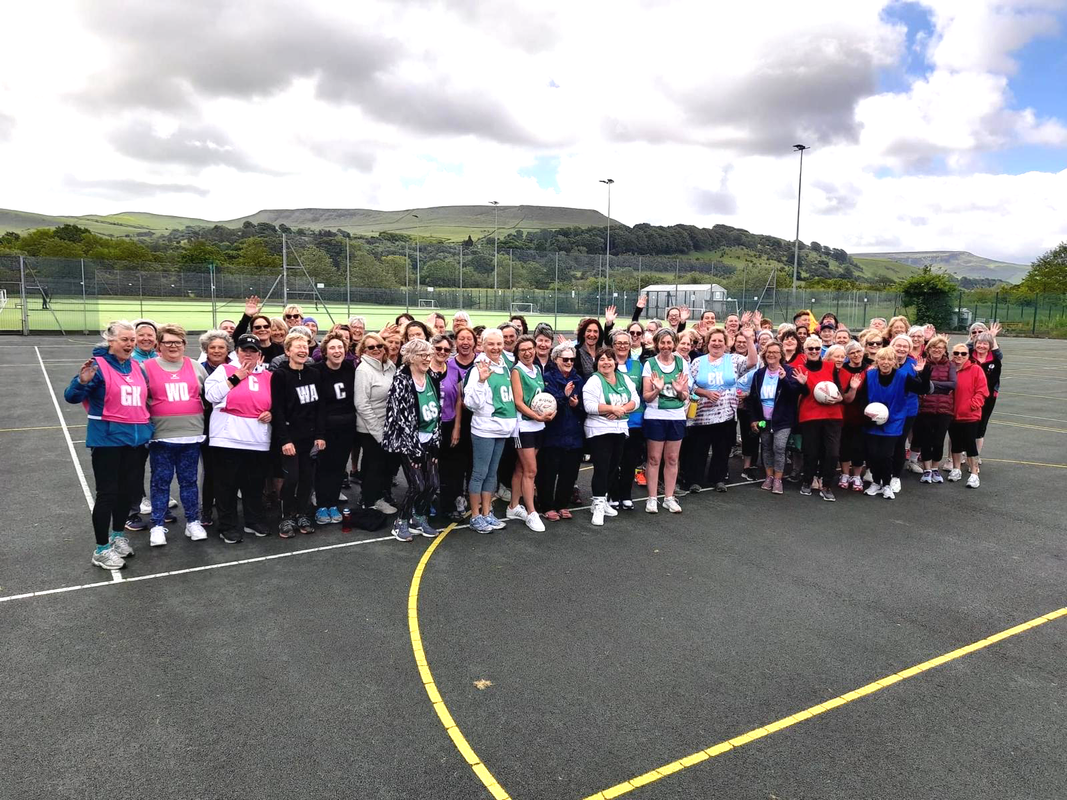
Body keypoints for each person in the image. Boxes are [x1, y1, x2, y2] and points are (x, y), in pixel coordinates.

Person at [64, 321, 153, 570]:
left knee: (127, 492)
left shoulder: (137, 366)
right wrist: (81, 382)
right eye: (124, 339)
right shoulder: (97, 367)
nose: (130, 344)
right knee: (107, 494)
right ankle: (101, 549)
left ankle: (117, 536)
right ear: (110, 340)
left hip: (135, 441)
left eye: (132, 340)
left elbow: (142, 401)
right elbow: (72, 398)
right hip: (108, 441)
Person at [144, 324, 209, 547]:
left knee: (189, 482)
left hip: (191, 437)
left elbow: (209, 397)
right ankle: (157, 525)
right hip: (161, 438)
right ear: (158, 345)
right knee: (161, 483)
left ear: (184, 345)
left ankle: (193, 522)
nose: (173, 346)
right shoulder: (147, 367)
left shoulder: (196, 367)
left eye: (178, 342)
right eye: (168, 342)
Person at [204, 334, 273, 543]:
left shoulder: (268, 376)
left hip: (257, 440)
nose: (248, 354)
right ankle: (227, 525)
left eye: (253, 351)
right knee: (227, 485)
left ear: (259, 354)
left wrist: (271, 414)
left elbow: (276, 403)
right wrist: (237, 377)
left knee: (253, 484)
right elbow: (210, 395)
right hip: (227, 439)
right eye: (244, 350)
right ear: (237, 352)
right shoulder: (224, 370)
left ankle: (253, 521)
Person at [684, 323, 758, 492]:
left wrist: (748, 338)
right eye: (713, 340)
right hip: (701, 415)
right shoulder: (698, 362)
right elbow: (690, 386)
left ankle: (718, 479)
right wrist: (705, 393)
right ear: (707, 343)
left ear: (726, 344)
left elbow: (753, 361)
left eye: (720, 341)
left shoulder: (733, 359)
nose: (716, 343)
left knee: (722, 449)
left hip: (726, 415)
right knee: (699, 450)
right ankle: (695, 480)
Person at [383, 339, 442, 541]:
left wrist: (435, 444)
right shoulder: (401, 380)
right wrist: (413, 449)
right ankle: (401, 522)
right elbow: (401, 420)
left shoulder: (432, 377)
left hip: (429, 439)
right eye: (422, 355)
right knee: (417, 485)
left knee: (433, 484)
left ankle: (419, 517)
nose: (427, 358)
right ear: (410, 358)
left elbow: (437, 413)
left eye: (429, 354)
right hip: (408, 442)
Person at [271, 330, 325, 537]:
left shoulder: (314, 373)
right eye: (298, 347)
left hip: (310, 437)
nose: (303, 351)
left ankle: (302, 513)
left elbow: (320, 407)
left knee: (306, 478)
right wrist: (285, 439)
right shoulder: (281, 375)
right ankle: (286, 516)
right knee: (291, 478)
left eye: (305, 347)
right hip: (290, 439)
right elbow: (278, 410)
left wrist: (320, 435)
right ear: (287, 351)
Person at [856, 347, 930, 499]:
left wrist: (922, 373)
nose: (885, 362)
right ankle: (876, 482)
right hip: (872, 420)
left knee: (886, 455)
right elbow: (862, 397)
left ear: (894, 362)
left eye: (889, 359)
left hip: (894, 421)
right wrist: (866, 414)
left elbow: (923, 389)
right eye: (882, 359)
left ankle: (887, 485)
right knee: (873, 455)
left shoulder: (903, 376)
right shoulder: (870, 375)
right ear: (877, 361)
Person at [464, 329, 517, 534]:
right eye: (491, 344)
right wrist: (480, 381)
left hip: (502, 428)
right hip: (485, 429)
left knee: (492, 473)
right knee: (479, 472)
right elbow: (471, 403)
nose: (496, 348)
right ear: (483, 345)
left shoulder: (505, 365)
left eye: (499, 344)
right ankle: (475, 515)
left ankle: (487, 511)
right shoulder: (478, 368)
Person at [794, 336, 857, 501]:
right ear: (805, 351)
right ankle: (807, 481)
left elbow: (838, 389)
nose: (814, 351)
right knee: (811, 451)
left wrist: (839, 398)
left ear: (820, 349)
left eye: (816, 348)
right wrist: (802, 384)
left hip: (832, 415)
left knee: (833, 452)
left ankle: (826, 484)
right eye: (810, 349)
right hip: (810, 415)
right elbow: (799, 393)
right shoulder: (800, 369)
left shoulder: (830, 367)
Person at [583, 347, 639, 525]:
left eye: (609, 359)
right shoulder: (594, 381)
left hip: (620, 428)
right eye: (601, 360)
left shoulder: (624, 379)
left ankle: (603, 499)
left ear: (615, 362)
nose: (605, 362)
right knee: (602, 467)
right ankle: (598, 504)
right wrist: (611, 408)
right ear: (596, 363)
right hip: (599, 430)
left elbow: (635, 400)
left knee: (613, 467)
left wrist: (621, 409)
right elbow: (589, 406)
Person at [506, 334, 552, 532]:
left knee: (521, 468)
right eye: (522, 349)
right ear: (517, 353)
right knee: (531, 470)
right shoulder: (517, 371)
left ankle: (513, 506)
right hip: (523, 426)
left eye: (530, 349)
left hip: (538, 426)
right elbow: (518, 402)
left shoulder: (537, 370)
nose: (527, 352)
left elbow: (544, 398)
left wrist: (551, 412)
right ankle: (532, 513)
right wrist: (537, 416)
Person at [641, 328, 688, 513]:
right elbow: (646, 397)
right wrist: (657, 389)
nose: (666, 346)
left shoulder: (681, 363)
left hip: (676, 417)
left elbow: (684, 396)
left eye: (669, 343)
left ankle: (669, 497)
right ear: (657, 344)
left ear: (674, 344)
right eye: (662, 343)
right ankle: (652, 498)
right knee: (653, 459)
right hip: (655, 417)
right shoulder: (650, 364)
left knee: (672, 458)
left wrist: (678, 390)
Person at [314, 332, 357, 526]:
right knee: (324, 467)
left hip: (346, 427)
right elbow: (318, 406)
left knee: (339, 467)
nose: (337, 351)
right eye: (332, 347)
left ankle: (332, 504)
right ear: (325, 351)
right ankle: (322, 505)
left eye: (340, 347)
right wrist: (319, 433)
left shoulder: (350, 368)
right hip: (326, 427)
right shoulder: (317, 371)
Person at [538, 343, 585, 521]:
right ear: (556, 359)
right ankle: (547, 506)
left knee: (569, 472)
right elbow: (545, 403)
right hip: (553, 433)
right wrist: (564, 397)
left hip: (573, 433)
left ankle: (562, 504)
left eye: (572, 359)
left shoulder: (579, 380)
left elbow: (584, 406)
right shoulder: (547, 378)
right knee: (548, 472)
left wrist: (576, 404)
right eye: (565, 359)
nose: (569, 362)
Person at [746, 341, 799, 494]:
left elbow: (793, 395)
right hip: (764, 419)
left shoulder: (789, 371)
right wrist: (753, 419)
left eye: (775, 352)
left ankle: (778, 478)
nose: (771, 355)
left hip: (782, 420)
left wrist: (784, 379)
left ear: (781, 355)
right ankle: (769, 476)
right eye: (769, 352)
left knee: (779, 447)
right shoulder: (759, 374)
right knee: (767, 447)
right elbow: (753, 398)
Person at [354, 332, 399, 514]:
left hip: (388, 427)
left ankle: (377, 496)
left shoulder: (389, 367)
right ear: (364, 350)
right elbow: (361, 404)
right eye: (370, 347)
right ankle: (370, 501)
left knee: (385, 465)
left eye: (379, 346)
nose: (375, 350)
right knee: (374, 466)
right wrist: (379, 433)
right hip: (370, 428)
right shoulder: (363, 370)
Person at [439, 328, 476, 521]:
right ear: (456, 342)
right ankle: (453, 498)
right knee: (454, 463)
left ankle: (471, 497)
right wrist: (457, 426)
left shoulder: (480, 362)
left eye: (469, 338)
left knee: (472, 461)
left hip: (476, 419)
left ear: (474, 342)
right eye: (461, 338)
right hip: (453, 420)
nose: (465, 342)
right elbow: (458, 399)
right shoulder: (449, 364)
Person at [197, 330, 234, 525]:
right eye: (212, 347)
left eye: (221, 347)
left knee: (229, 470)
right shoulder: (200, 369)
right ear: (206, 350)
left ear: (228, 349)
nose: (217, 351)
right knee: (210, 470)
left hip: (231, 426)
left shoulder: (235, 368)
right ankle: (206, 509)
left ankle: (227, 508)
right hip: (207, 425)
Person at [914, 335, 957, 483]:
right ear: (928, 349)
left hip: (945, 410)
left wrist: (930, 385)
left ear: (945, 350)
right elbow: (920, 384)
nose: (937, 350)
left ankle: (934, 468)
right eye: (934, 347)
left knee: (939, 441)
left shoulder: (950, 365)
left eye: (940, 347)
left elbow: (952, 384)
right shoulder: (924, 364)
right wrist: (937, 386)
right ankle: (926, 469)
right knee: (926, 440)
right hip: (926, 407)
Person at [611, 330, 645, 510]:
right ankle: (613, 495)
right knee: (614, 461)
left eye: (626, 342)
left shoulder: (638, 366)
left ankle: (626, 495)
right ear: (613, 345)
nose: (622, 346)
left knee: (630, 461)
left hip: (634, 420)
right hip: (613, 420)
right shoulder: (607, 363)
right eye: (618, 343)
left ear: (631, 344)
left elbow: (641, 392)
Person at [948, 343, 989, 488]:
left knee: (971, 444)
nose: (959, 356)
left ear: (968, 355)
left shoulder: (976, 369)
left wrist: (971, 405)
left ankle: (974, 473)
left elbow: (983, 391)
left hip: (970, 415)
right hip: (952, 414)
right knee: (956, 443)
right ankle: (956, 469)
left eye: (963, 354)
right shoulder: (949, 368)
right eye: (956, 353)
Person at [838, 340, 869, 491]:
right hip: (845, 413)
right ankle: (845, 474)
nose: (856, 355)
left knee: (859, 446)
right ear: (847, 355)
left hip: (863, 414)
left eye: (858, 351)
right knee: (844, 445)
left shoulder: (869, 369)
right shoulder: (842, 370)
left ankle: (856, 475)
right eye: (852, 353)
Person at [970, 326, 1002, 461]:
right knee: (965, 425)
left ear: (990, 346)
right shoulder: (968, 356)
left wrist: (992, 336)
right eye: (979, 343)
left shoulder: (995, 360)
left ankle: (976, 456)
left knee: (981, 425)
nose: (981, 346)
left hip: (987, 398)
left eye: (985, 343)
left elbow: (991, 381)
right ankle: (962, 454)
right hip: (968, 396)